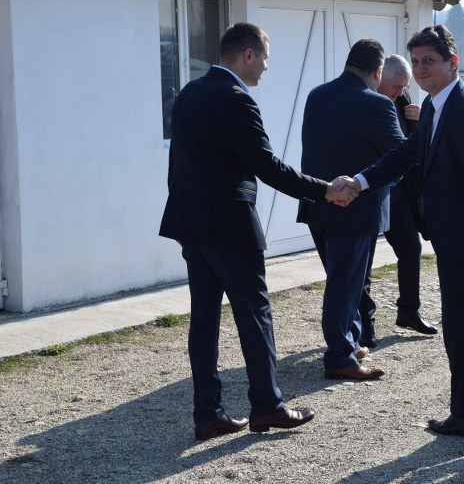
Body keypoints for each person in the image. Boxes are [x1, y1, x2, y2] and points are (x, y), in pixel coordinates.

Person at [159, 22, 356, 441]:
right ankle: (268, 406)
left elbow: (179, 162)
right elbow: (267, 166)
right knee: (255, 314)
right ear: (248, 54)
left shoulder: (190, 91)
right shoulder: (235, 98)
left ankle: (208, 414)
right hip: (230, 225)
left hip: (192, 224)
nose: (266, 67)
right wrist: (325, 190)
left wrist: (180, 218)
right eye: (265, 57)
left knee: (204, 319)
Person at [355, 25, 464, 439]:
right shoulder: (436, 105)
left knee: (460, 322)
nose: (420, 69)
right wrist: (361, 181)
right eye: (415, 62)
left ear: (453, 63)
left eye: (429, 61)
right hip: (461, 234)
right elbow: (405, 153)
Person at [297, 39, 405, 381]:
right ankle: (340, 357)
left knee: (344, 282)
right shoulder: (377, 104)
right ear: (378, 71)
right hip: (356, 209)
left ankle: (350, 341)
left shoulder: (316, 95)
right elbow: (400, 155)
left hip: (318, 203)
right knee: (345, 286)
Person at [357, 54, 437, 349]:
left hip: (397, 191)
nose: (400, 92)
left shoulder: (404, 103)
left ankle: (408, 312)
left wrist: (421, 121)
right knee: (363, 260)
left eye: (404, 87)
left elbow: (411, 149)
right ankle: (365, 324)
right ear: (378, 77)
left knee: (411, 248)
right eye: (395, 86)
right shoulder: (363, 103)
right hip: (368, 190)